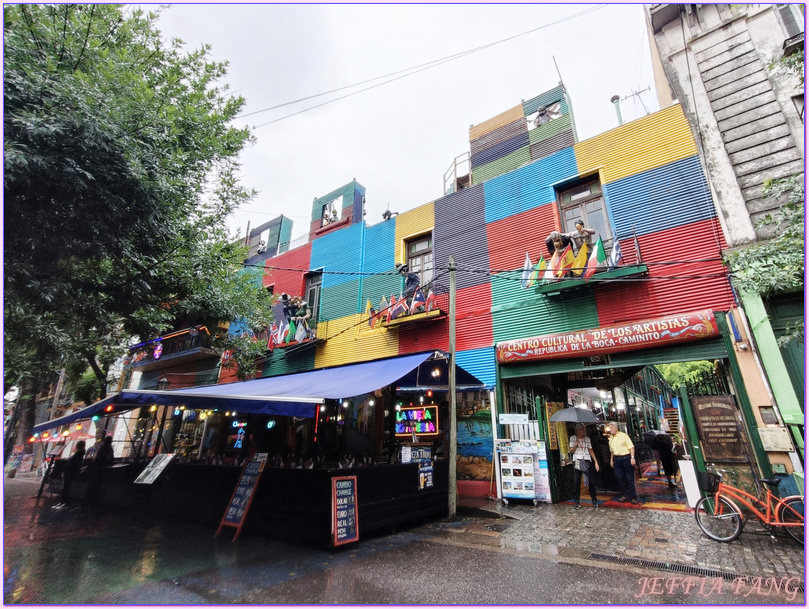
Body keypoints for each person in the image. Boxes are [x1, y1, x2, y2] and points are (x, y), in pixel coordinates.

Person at [569, 423, 600, 508]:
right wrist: (575, 444)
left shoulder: (587, 439)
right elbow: (571, 451)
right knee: (577, 481)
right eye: (583, 429)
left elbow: (590, 450)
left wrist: (596, 461)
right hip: (577, 460)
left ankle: (594, 499)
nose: (584, 431)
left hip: (587, 460)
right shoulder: (572, 438)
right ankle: (576, 501)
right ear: (578, 431)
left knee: (591, 481)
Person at [608, 422, 638, 504]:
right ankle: (624, 495)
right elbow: (612, 450)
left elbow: (631, 447)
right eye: (609, 428)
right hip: (617, 459)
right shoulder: (611, 437)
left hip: (625, 458)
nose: (610, 430)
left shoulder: (623, 436)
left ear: (616, 428)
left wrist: (632, 458)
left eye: (611, 428)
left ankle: (633, 496)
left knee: (629, 478)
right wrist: (611, 460)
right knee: (619, 477)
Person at [54, 440, 85, 509]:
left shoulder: (77, 455)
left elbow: (71, 465)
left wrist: (65, 472)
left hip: (69, 473)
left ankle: (64, 502)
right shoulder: (80, 455)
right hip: (70, 473)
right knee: (66, 488)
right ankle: (63, 502)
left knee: (66, 488)